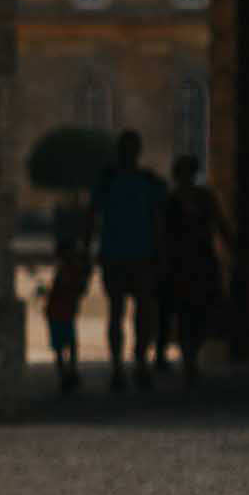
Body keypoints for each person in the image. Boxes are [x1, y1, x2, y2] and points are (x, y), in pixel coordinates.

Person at [85, 130, 168, 392]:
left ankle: (136, 362)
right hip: (122, 255)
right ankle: (123, 365)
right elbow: (93, 217)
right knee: (121, 312)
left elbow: (158, 220)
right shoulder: (118, 182)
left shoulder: (136, 182)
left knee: (136, 312)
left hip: (133, 254)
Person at [158, 154, 232, 387]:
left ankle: (192, 353)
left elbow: (220, 223)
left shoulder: (205, 198)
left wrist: (231, 245)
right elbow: (162, 233)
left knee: (201, 311)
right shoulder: (170, 201)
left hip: (201, 261)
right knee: (183, 312)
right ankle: (189, 358)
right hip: (180, 263)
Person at [41, 237, 91, 394]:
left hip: (59, 313)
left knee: (61, 346)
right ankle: (68, 372)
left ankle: (66, 373)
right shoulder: (71, 270)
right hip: (62, 313)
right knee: (68, 344)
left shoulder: (67, 270)